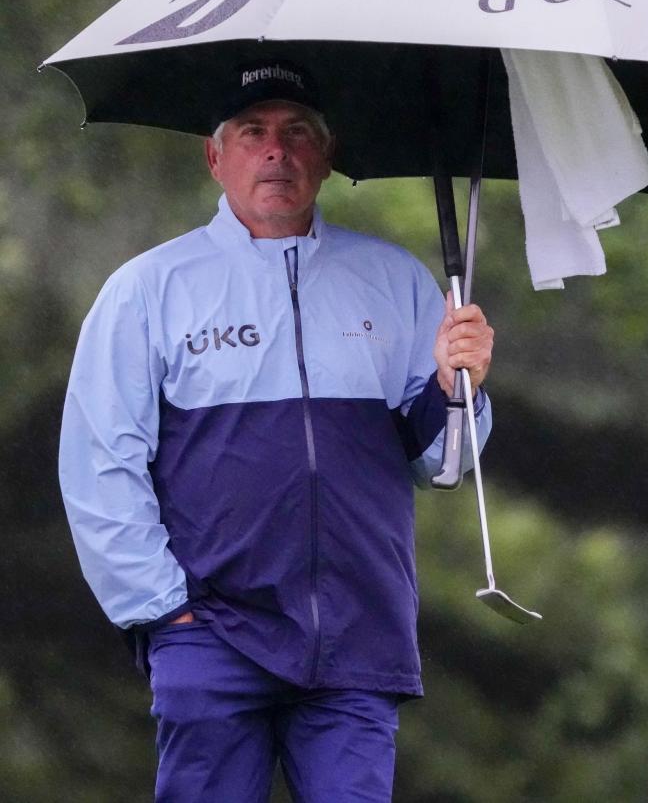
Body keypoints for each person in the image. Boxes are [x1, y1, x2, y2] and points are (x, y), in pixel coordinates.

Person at [58, 59, 494, 802]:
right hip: (212, 634)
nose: (276, 151)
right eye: (253, 132)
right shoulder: (148, 290)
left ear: (325, 157)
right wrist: (165, 609)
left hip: (358, 638)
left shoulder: (394, 281)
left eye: (297, 133)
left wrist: (462, 388)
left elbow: (445, 465)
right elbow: (100, 465)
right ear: (215, 155)